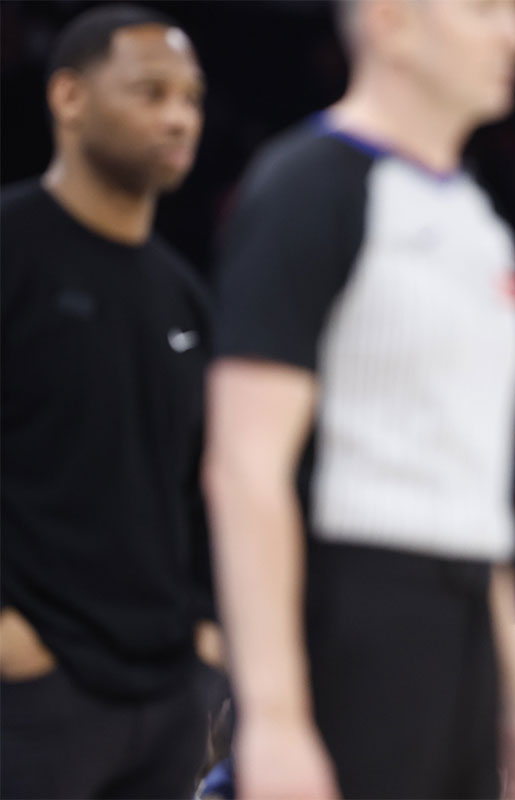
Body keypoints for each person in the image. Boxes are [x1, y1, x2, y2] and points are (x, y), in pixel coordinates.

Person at [203, 1, 515, 797]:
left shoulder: (478, 221)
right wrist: (273, 717)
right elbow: (244, 470)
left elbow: (476, 490)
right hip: (352, 621)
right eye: (485, 9)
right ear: (392, 21)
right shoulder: (305, 186)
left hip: (466, 626)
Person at [0, 6, 218, 798]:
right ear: (68, 97)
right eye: (151, 92)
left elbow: (199, 487)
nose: (177, 117)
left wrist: (207, 634)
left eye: (190, 98)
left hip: (166, 698)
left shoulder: (183, 295)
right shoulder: (13, 249)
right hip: (30, 689)